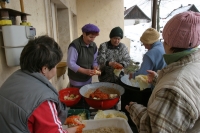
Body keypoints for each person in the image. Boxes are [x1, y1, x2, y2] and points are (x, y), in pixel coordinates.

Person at [125, 11, 200, 133]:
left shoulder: (173, 90)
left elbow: (153, 128)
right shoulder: (195, 64)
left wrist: (134, 108)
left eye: (164, 40)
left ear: (170, 44)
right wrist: (158, 77)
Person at [0, 35, 77, 133]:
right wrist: (75, 130)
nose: (55, 70)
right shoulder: (43, 100)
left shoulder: (12, 79)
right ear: (44, 69)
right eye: (56, 66)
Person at [67, 23, 100, 108]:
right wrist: (84, 71)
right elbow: (70, 63)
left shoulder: (93, 45)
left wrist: (95, 66)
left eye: (94, 37)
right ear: (84, 34)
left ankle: (86, 116)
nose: (92, 39)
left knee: (87, 99)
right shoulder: (75, 46)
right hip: (76, 80)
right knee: (78, 101)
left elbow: (95, 60)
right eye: (90, 37)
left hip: (88, 79)